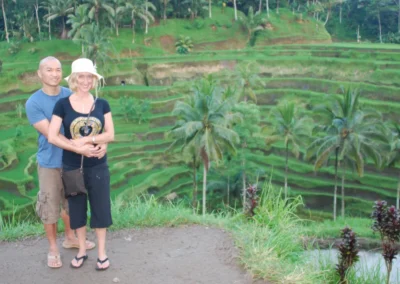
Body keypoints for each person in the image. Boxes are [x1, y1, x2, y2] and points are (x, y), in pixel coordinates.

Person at [25, 56, 100, 268]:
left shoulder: (70, 95)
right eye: (49, 70)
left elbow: (88, 123)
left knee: (71, 202)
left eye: (58, 70)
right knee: (49, 204)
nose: (55, 74)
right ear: (40, 74)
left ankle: (70, 238)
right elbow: (52, 133)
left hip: (73, 162)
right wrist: (79, 147)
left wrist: (98, 142)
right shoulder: (34, 103)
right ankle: (53, 248)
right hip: (50, 161)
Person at [48, 58, 114, 270]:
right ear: (74, 80)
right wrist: (78, 149)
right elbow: (52, 135)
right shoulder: (63, 105)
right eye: (81, 77)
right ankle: (82, 251)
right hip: (72, 166)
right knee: (76, 209)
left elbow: (110, 134)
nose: (86, 81)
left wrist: (90, 141)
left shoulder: (102, 104)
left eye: (90, 77)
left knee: (100, 208)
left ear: (94, 80)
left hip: (98, 166)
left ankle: (102, 254)